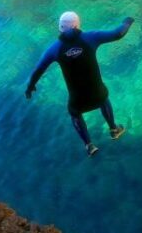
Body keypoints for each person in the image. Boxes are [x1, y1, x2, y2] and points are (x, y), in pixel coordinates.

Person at [26, 11, 134, 156]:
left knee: (75, 114)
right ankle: (114, 129)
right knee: (104, 99)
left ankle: (89, 145)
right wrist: (127, 21)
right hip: (98, 93)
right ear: (78, 25)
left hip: (78, 100)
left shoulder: (54, 49)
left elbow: (38, 70)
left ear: (60, 28)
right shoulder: (91, 37)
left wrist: (30, 87)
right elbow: (118, 33)